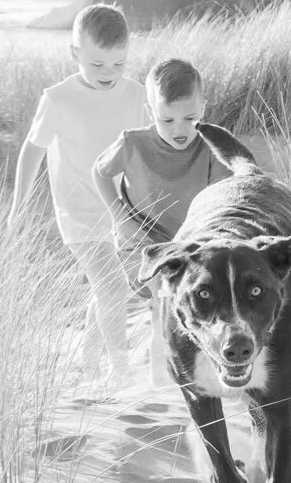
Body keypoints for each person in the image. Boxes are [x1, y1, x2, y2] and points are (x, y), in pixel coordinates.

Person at [8, 3, 148, 383]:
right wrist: (18, 207)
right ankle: (121, 372)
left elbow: (146, 149)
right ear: (75, 54)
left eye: (118, 64)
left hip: (122, 213)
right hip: (78, 215)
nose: (109, 74)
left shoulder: (136, 95)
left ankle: (88, 356)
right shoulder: (58, 98)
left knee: (107, 290)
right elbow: (32, 149)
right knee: (114, 288)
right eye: (98, 64)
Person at [90, 57, 232, 383]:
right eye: (167, 120)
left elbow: (224, 194)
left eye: (190, 118)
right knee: (165, 303)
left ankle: (187, 371)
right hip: (138, 241)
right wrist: (119, 216)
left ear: (203, 108)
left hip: (188, 243)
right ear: (150, 111)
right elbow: (99, 173)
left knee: (199, 302)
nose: (179, 129)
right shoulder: (132, 144)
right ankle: (162, 384)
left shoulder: (210, 148)